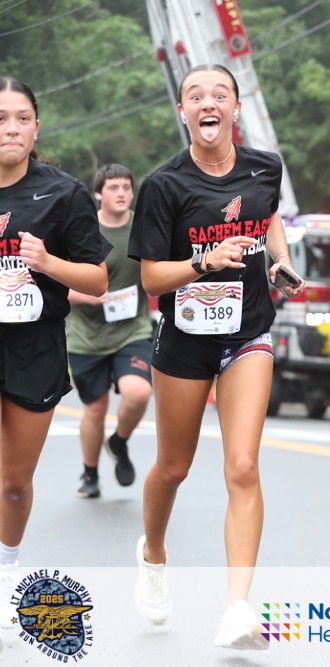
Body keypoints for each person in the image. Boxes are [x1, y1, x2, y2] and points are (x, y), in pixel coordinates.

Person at [127, 64, 303, 651]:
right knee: (173, 468)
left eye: (219, 94)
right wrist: (205, 261)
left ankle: (237, 609)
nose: (208, 103)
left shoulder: (265, 166)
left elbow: (268, 215)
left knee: (243, 467)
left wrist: (278, 261)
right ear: (183, 112)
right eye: (195, 96)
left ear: (235, 108)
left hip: (247, 332)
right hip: (185, 338)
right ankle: (154, 554)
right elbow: (152, 277)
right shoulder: (162, 185)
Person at [0, 77, 110, 646]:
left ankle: (6, 575)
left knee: (15, 484)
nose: (11, 129)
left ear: (36, 127)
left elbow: (97, 279)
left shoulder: (63, 194)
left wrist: (47, 263)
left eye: (21, 118)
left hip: (35, 347)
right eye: (0, 119)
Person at [66, 163, 151, 499]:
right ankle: (89, 474)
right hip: (86, 335)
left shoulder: (143, 227)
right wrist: (90, 296)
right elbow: (56, 282)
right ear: (98, 194)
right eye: (113, 187)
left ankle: (119, 441)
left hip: (133, 330)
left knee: (138, 392)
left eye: (126, 187)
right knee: (96, 407)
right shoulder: (83, 229)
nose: (121, 193)